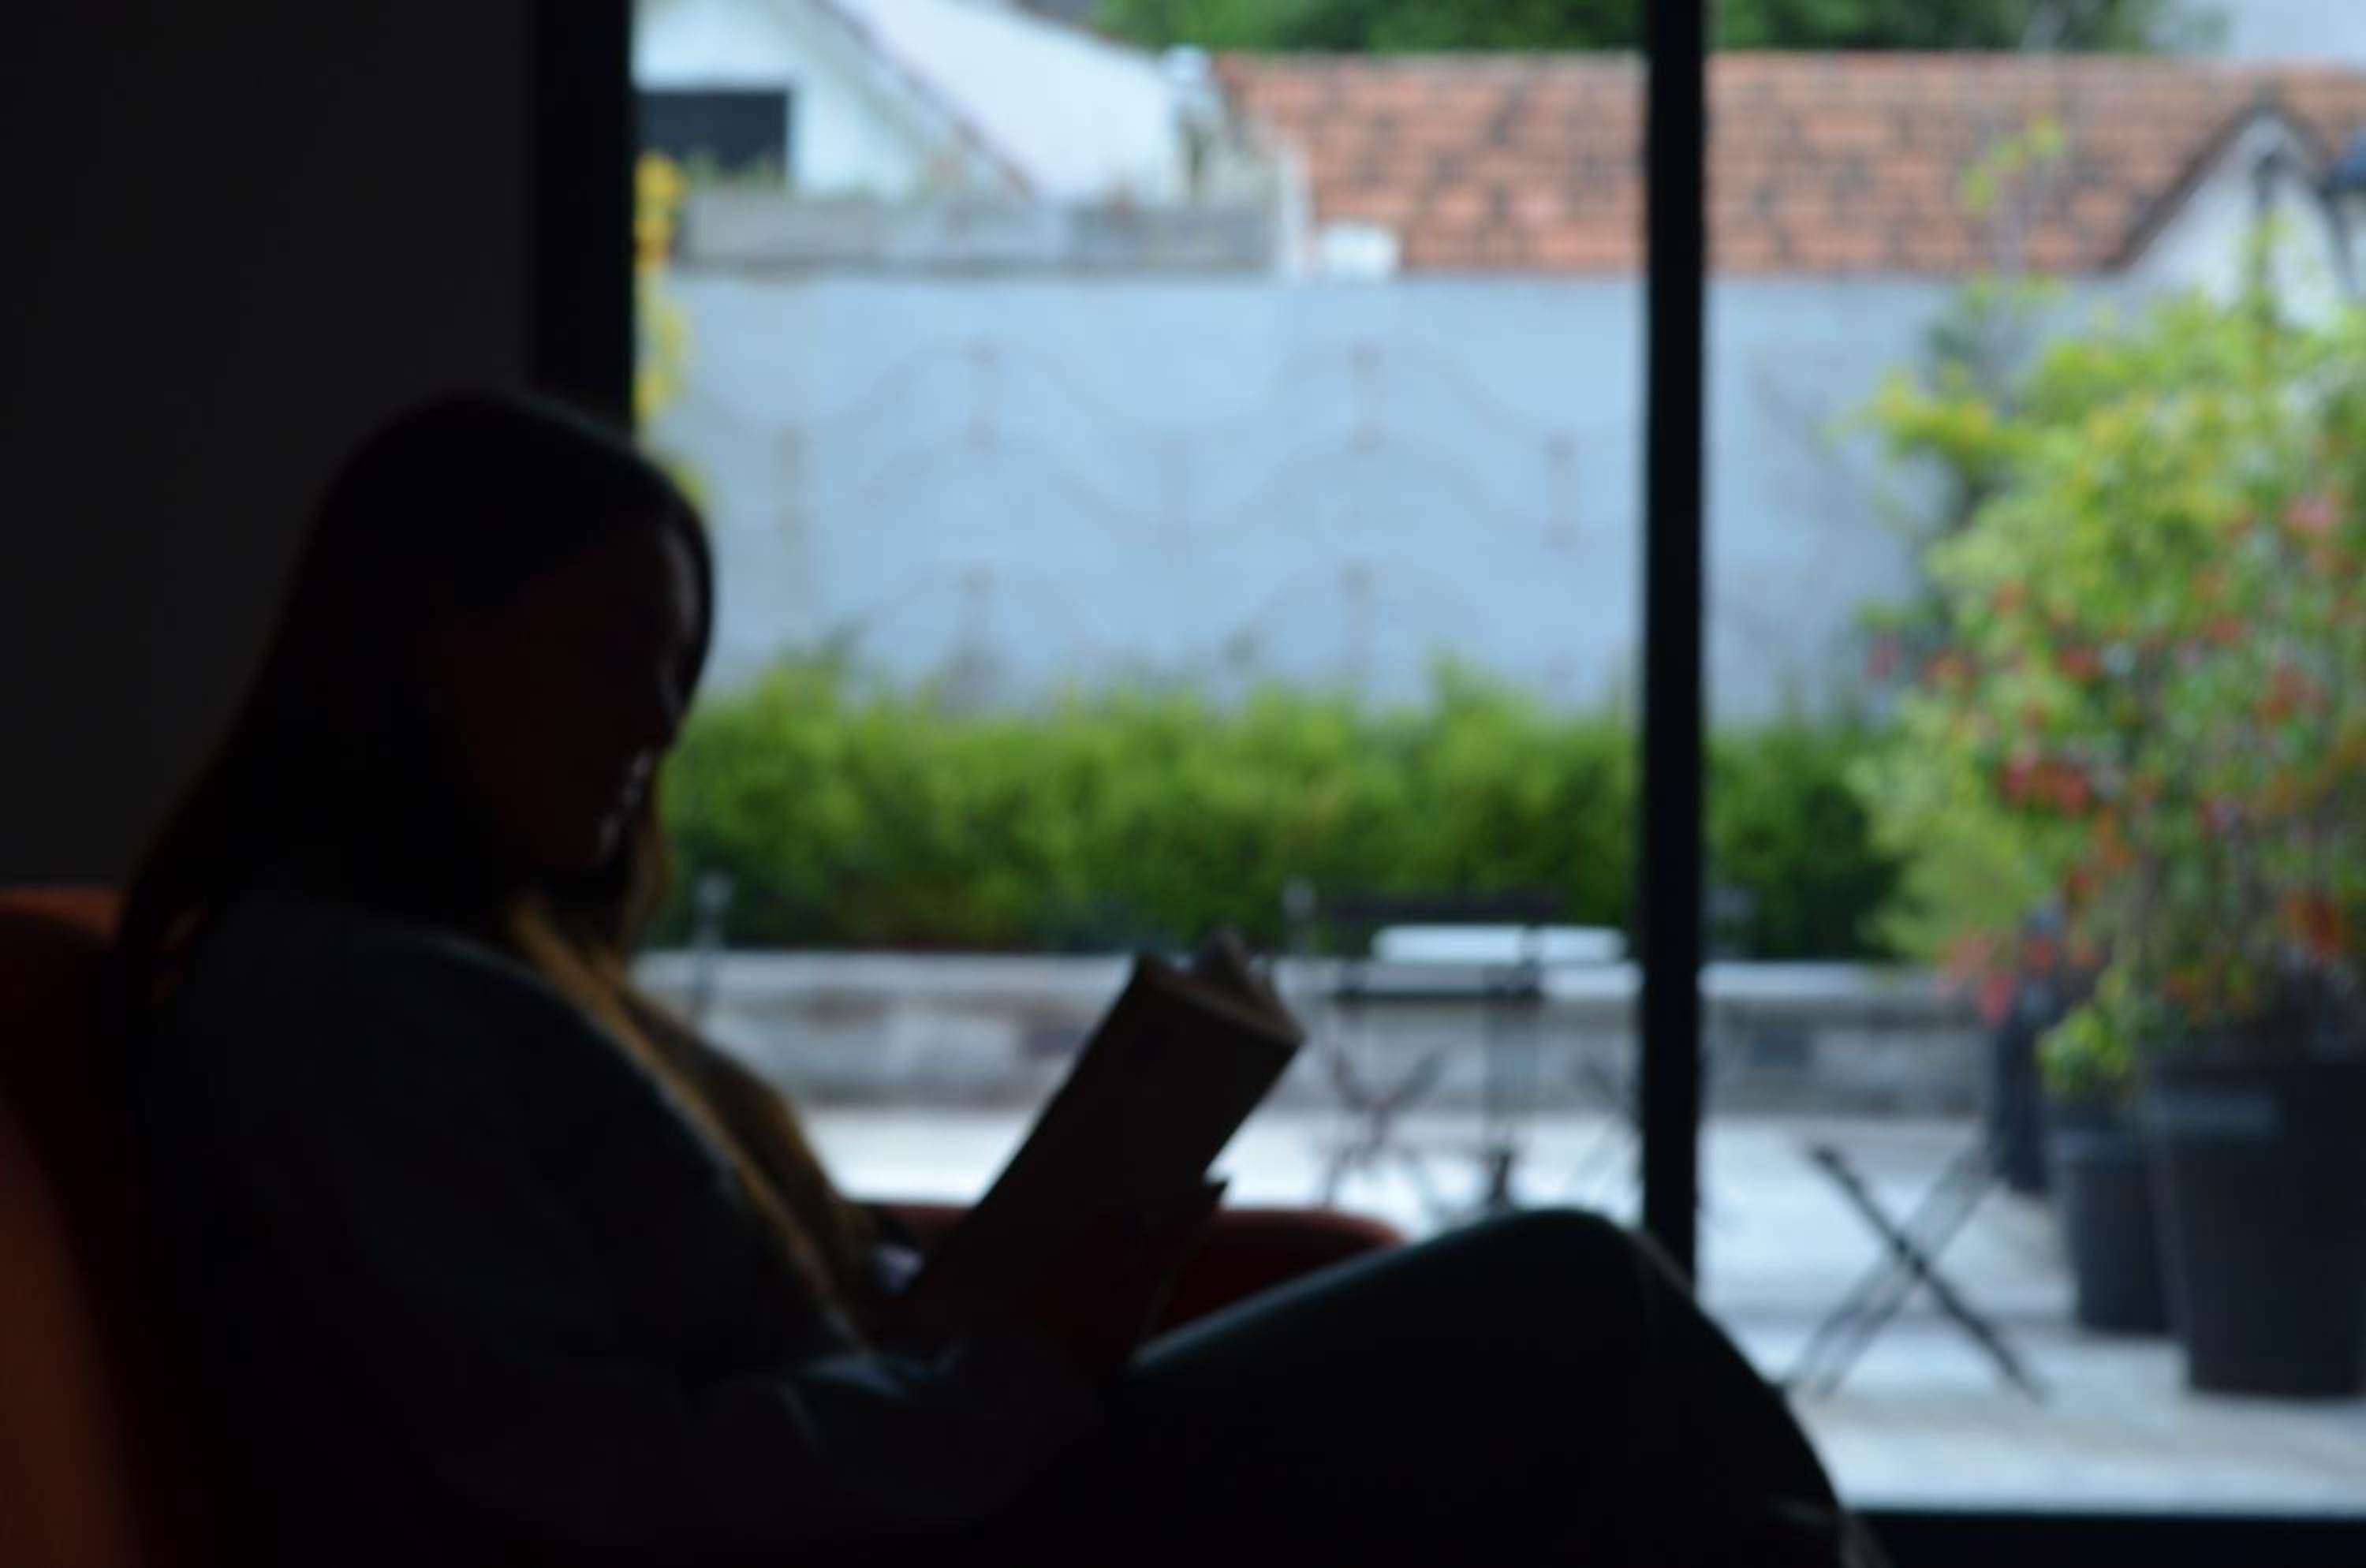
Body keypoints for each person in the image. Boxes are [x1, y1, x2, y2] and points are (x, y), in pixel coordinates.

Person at [109, 392, 1881, 1566]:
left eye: (677, 671)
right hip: (910, 1535)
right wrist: (1014, 1375)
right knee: (1573, 1303)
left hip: (930, 1483)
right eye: (609, 654)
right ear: (428, 642)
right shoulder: (350, 1015)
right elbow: (600, 1493)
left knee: (1568, 1380)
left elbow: (724, 1327)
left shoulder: (492, 964)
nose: (657, 721)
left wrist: (1002, 1282)